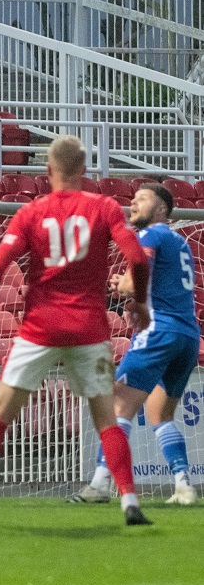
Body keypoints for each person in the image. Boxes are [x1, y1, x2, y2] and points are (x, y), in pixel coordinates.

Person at [0, 135, 154, 526]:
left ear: (48, 171)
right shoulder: (103, 207)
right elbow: (136, 256)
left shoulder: (31, 212)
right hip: (89, 327)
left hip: (40, 327)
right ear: (84, 171)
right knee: (105, 417)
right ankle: (129, 501)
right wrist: (138, 303)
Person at [69, 184, 199, 506]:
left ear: (161, 211)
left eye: (142, 199)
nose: (133, 203)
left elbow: (134, 277)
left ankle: (99, 483)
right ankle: (183, 485)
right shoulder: (182, 243)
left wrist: (122, 284)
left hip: (160, 331)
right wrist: (130, 287)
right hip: (188, 336)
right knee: (160, 413)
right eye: (133, 198)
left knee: (116, 405)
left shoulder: (151, 235)